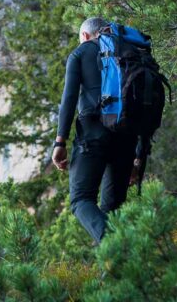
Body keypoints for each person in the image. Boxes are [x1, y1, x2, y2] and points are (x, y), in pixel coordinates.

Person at [52, 17, 139, 245]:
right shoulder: (130, 52)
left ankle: (117, 248)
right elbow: (141, 105)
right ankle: (118, 273)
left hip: (94, 136)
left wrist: (60, 142)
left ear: (85, 36)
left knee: (81, 200)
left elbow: (69, 99)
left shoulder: (80, 54)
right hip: (127, 140)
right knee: (113, 209)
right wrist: (138, 156)